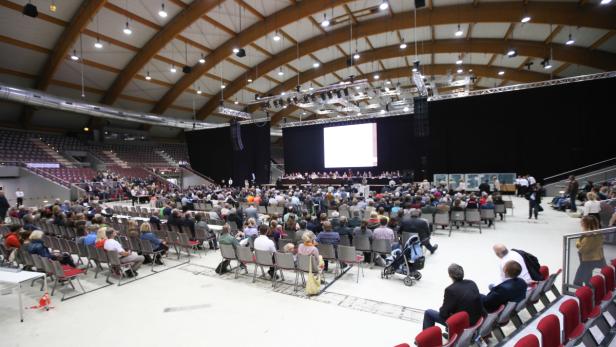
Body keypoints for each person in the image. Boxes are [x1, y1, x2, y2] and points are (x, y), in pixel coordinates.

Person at [422, 263, 485, 329]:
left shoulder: (450, 290)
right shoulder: (471, 283)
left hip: (463, 323)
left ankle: (426, 338)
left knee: (428, 313)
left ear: (450, 275)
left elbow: (443, 314)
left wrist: (443, 310)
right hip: (477, 319)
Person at [574, 216, 606, 286]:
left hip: (589, 259)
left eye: (582, 221)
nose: (580, 222)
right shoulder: (598, 232)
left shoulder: (589, 236)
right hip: (597, 257)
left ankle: (583, 289)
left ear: (587, 224)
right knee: (586, 274)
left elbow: (582, 249)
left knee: (581, 277)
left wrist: (578, 243)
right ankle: (586, 288)